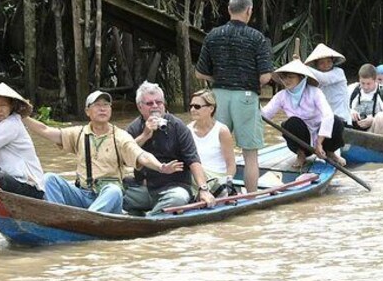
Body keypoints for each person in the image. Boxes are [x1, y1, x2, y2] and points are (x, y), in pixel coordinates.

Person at [23, 90, 183, 214]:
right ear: (87, 111)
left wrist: (161, 167)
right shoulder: (78, 133)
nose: (102, 109)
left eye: (106, 105)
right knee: (50, 178)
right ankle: (58, 217)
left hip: (107, 196)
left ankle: (88, 221)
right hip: (83, 193)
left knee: (114, 190)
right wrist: (22, 117)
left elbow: (142, 155)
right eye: (97, 105)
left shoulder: (120, 136)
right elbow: (46, 130)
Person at [196, 0, 273, 193]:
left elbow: (199, 72)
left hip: (217, 97)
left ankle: (210, 190)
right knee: (250, 155)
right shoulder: (257, 38)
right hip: (246, 98)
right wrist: (246, 81)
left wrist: (220, 79)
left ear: (229, 10)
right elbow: (265, 77)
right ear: (249, 11)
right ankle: (251, 198)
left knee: (216, 148)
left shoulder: (213, 35)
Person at [125, 82, 216, 215]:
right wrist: (144, 135)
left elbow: (193, 160)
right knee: (115, 193)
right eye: (149, 103)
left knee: (178, 199)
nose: (155, 106)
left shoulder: (177, 126)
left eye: (159, 102)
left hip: (173, 189)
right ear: (140, 107)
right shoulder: (134, 128)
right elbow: (123, 157)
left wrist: (203, 189)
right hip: (144, 190)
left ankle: (148, 219)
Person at [261, 59, 345, 168]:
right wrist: (254, 102)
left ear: (301, 78)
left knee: (336, 121)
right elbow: (265, 115)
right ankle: (301, 154)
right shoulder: (281, 96)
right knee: (291, 123)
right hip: (302, 140)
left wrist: (319, 143)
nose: (287, 81)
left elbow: (328, 115)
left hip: (323, 139)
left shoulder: (315, 92)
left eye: (291, 77)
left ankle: (330, 152)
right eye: (284, 77)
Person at [187, 89, 236, 196]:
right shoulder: (188, 130)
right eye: (191, 106)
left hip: (215, 178)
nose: (192, 109)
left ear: (211, 108)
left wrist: (225, 185)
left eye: (197, 106)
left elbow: (231, 165)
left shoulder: (222, 131)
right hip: (196, 175)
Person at [347, 64, 383, 137]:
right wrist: (350, 113)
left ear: (376, 80)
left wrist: (373, 120)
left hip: (378, 133)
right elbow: (338, 110)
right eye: (362, 83)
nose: (365, 87)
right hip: (355, 132)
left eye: (369, 84)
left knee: (381, 117)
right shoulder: (351, 89)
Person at [304, 43, 350, 123]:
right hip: (324, 119)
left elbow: (325, 79)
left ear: (333, 62)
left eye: (329, 61)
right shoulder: (314, 79)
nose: (326, 65)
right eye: (322, 63)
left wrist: (302, 66)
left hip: (340, 118)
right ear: (317, 65)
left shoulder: (338, 72)